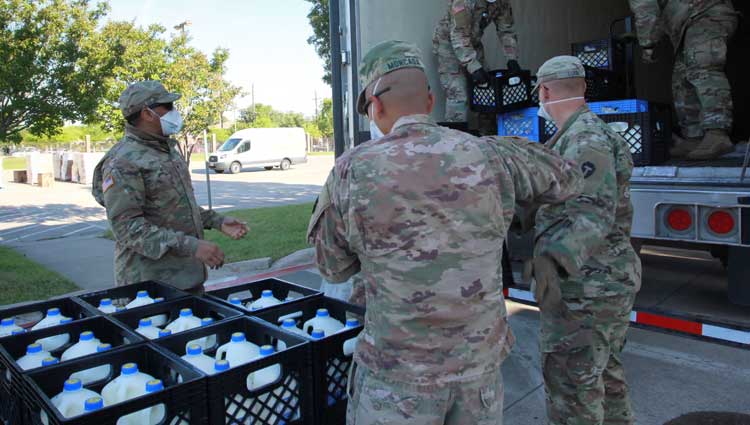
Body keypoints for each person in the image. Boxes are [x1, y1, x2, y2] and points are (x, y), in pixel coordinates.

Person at [307, 40, 583, 425]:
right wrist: (510, 211)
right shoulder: (494, 155)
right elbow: (567, 178)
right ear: (431, 101)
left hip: (397, 380)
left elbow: (332, 268)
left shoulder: (352, 171)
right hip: (479, 377)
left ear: (376, 104)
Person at [529, 56, 642, 425]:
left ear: (544, 92)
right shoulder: (586, 134)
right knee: (604, 379)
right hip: (601, 283)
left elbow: (592, 215)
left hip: (585, 289)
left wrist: (552, 262)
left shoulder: (585, 140)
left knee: (573, 393)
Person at [92, 81, 249, 295]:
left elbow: (175, 206)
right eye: (168, 106)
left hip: (188, 280)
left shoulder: (167, 151)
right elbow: (127, 229)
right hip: (150, 289)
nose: (175, 112)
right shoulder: (123, 161)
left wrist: (217, 221)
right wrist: (192, 246)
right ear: (147, 113)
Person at [629, 0, 739, 160]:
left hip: (706, 13)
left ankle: (717, 133)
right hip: (688, 23)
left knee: (702, 68)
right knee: (680, 80)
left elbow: (645, 9)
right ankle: (694, 137)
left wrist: (647, 44)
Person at [433, 0, 521, 122]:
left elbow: (506, 30)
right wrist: (473, 67)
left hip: (472, 44)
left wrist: (512, 59)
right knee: (458, 93)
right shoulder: (465, 2)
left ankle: (486, 135)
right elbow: (458, 35)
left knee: (487, 89)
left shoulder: (502, 3)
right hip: (448, 47)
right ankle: (456, 136)